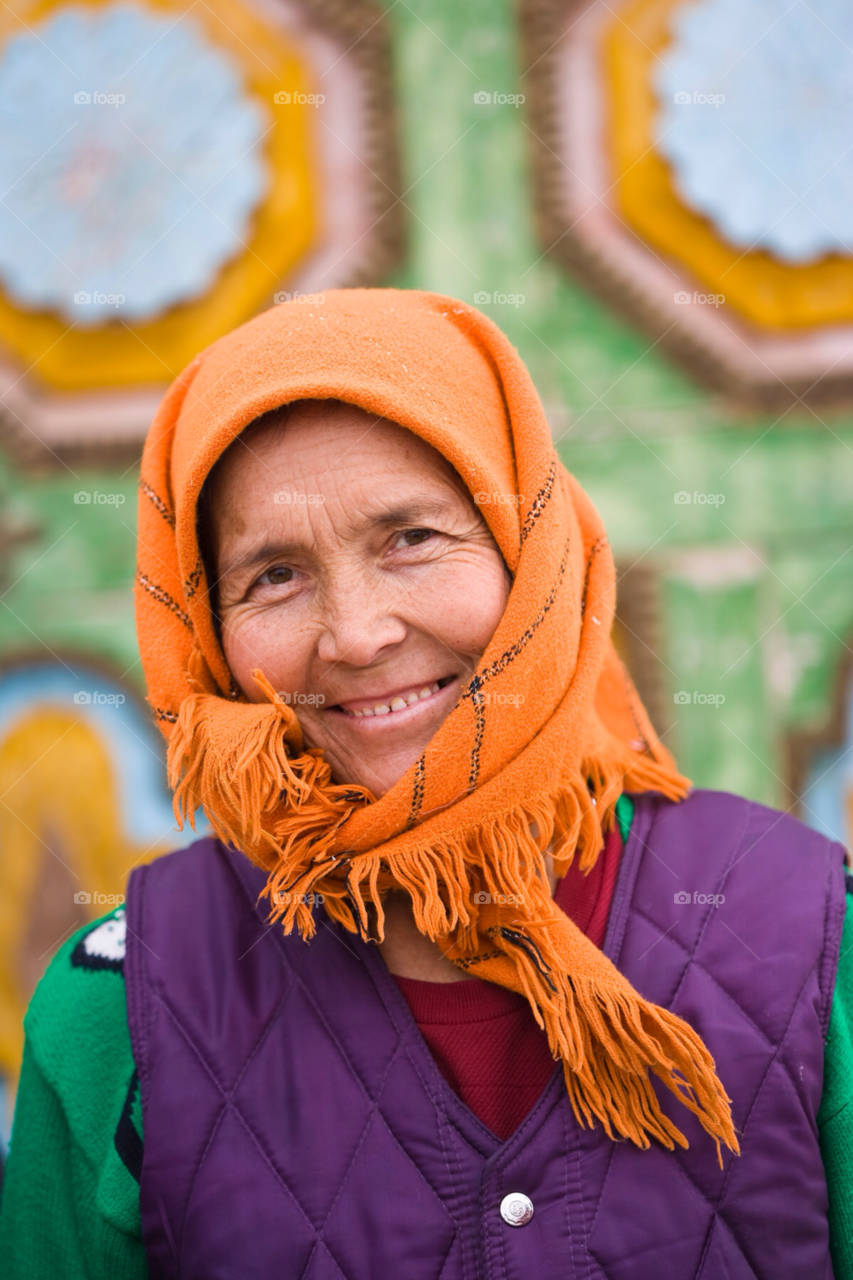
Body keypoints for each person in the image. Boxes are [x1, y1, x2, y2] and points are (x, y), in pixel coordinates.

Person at [1, 288, 851, 1278]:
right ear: (208, 631)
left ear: (531, 553)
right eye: (272, 574)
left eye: (412, 537)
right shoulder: (113, 1014)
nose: (356, 633)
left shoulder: (803, 930)